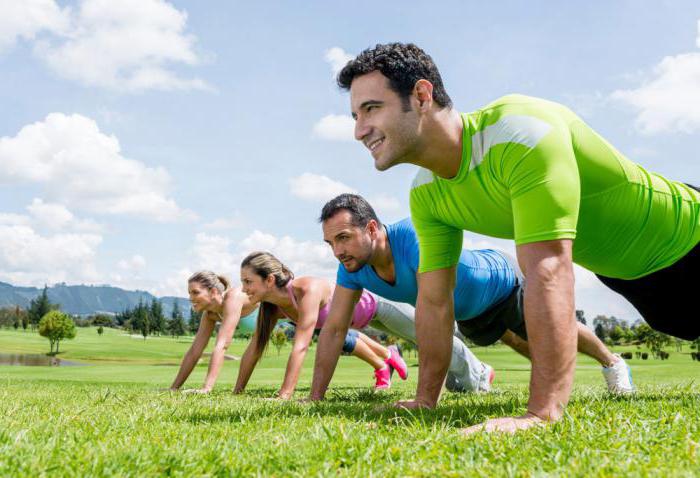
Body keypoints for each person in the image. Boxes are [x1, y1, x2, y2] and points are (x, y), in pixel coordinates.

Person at [336, 42, 698, 433]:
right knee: (681, 323)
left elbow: (547, 269)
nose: (359, 130)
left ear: (421, 96)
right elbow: (435, 302)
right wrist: (426, 400)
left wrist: (541, 414)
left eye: (372, 109)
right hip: (628, 273)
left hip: (689, 234)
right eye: (355, 115)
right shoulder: (427, 193)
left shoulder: (519, 132)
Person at [309, 193, 633, 402]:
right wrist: (315, 396)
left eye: (344, 238)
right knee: (518, 342)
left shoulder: (413, 238)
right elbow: (335, 330)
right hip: (470, 310)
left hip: (500, 281)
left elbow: (432, 316)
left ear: (373, 229)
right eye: (330, 243)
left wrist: (424, 402)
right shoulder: (351, 268)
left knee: (553, 327)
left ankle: (612, 363)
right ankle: (554, 382)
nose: (337, 251)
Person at [234, 251, 408, 398]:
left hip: (379, 306)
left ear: (270, 280)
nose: (243, 289)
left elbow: (301, 346)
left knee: (428, 336)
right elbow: (255, 347)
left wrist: (285, 394)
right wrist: (238, 391)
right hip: (359, 323)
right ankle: (388, 356)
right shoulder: (273, 308)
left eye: (248, 281)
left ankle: (390, 355)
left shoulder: (306, 290)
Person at [169, 271, 257, 393]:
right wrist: (174, 388)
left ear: (213, 292)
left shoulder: (233, 298)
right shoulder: (210, 314)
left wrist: (207, 388)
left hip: (286, 313)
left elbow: (222, 345)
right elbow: (195, 350)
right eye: (189, 293)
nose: (190, 298)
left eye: (195, 292)